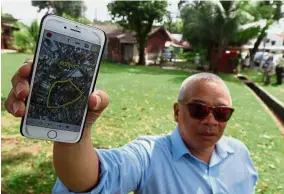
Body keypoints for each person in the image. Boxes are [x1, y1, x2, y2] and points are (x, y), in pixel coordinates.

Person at [5, 60, 258, 194]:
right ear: (177, 111)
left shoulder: (240, 155)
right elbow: (88, 181)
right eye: (199, 109)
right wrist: (74, 126)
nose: (211, 121)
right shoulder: (149, 155)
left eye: (222, 113)